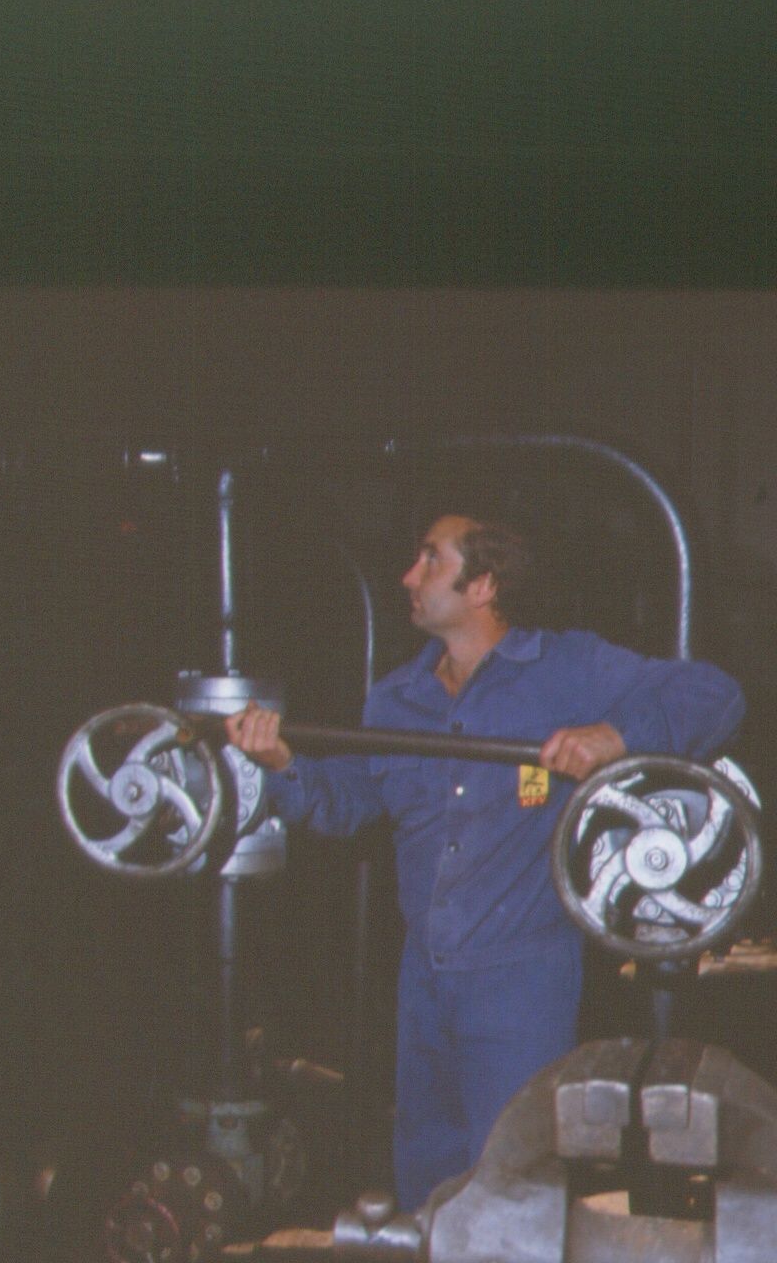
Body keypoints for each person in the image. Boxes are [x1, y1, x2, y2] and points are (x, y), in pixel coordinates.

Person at [225, 514, 745, 1210]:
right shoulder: (397, 697)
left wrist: (616, 736)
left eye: (429, 560)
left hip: (522, 981)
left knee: (514, 1192)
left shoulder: (566, 668)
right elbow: (348, 802)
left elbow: (716, 694)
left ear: (483, 585)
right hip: (422, 981)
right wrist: (282, 764)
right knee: (429, 1187)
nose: (408, 577)